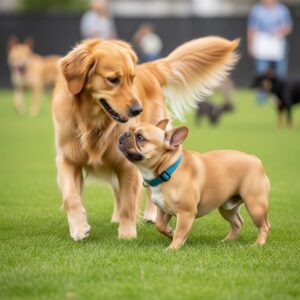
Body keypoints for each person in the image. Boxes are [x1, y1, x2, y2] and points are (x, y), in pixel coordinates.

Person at [248, 0, 293, 79]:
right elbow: (252, 29)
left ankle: (279, 91)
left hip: (278, 45)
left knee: (280, 72)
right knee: (261, 72)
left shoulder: (282, 10)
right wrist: (251, 46)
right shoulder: (256, 10)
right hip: (262, 45)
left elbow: (288, 27)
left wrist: (280, 30)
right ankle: (262, 91)